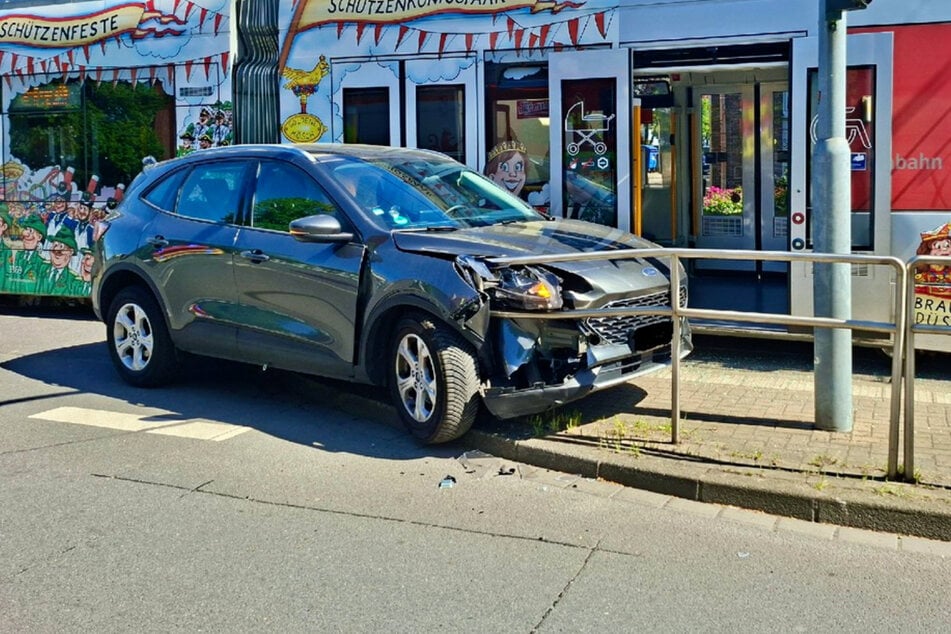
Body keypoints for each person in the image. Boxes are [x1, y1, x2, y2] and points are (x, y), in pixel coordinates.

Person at [7, 214, 51, 294]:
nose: (27, 235)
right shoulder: (18, 254)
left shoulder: (42, 261)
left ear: (39, 237)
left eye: (31, 231)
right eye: (26, 230)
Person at [37, 225, 84, 296]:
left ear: (70, 252)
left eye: (62, 247)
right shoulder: (41, 268)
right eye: (55, 245)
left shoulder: (74, 280)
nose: (57, 250)